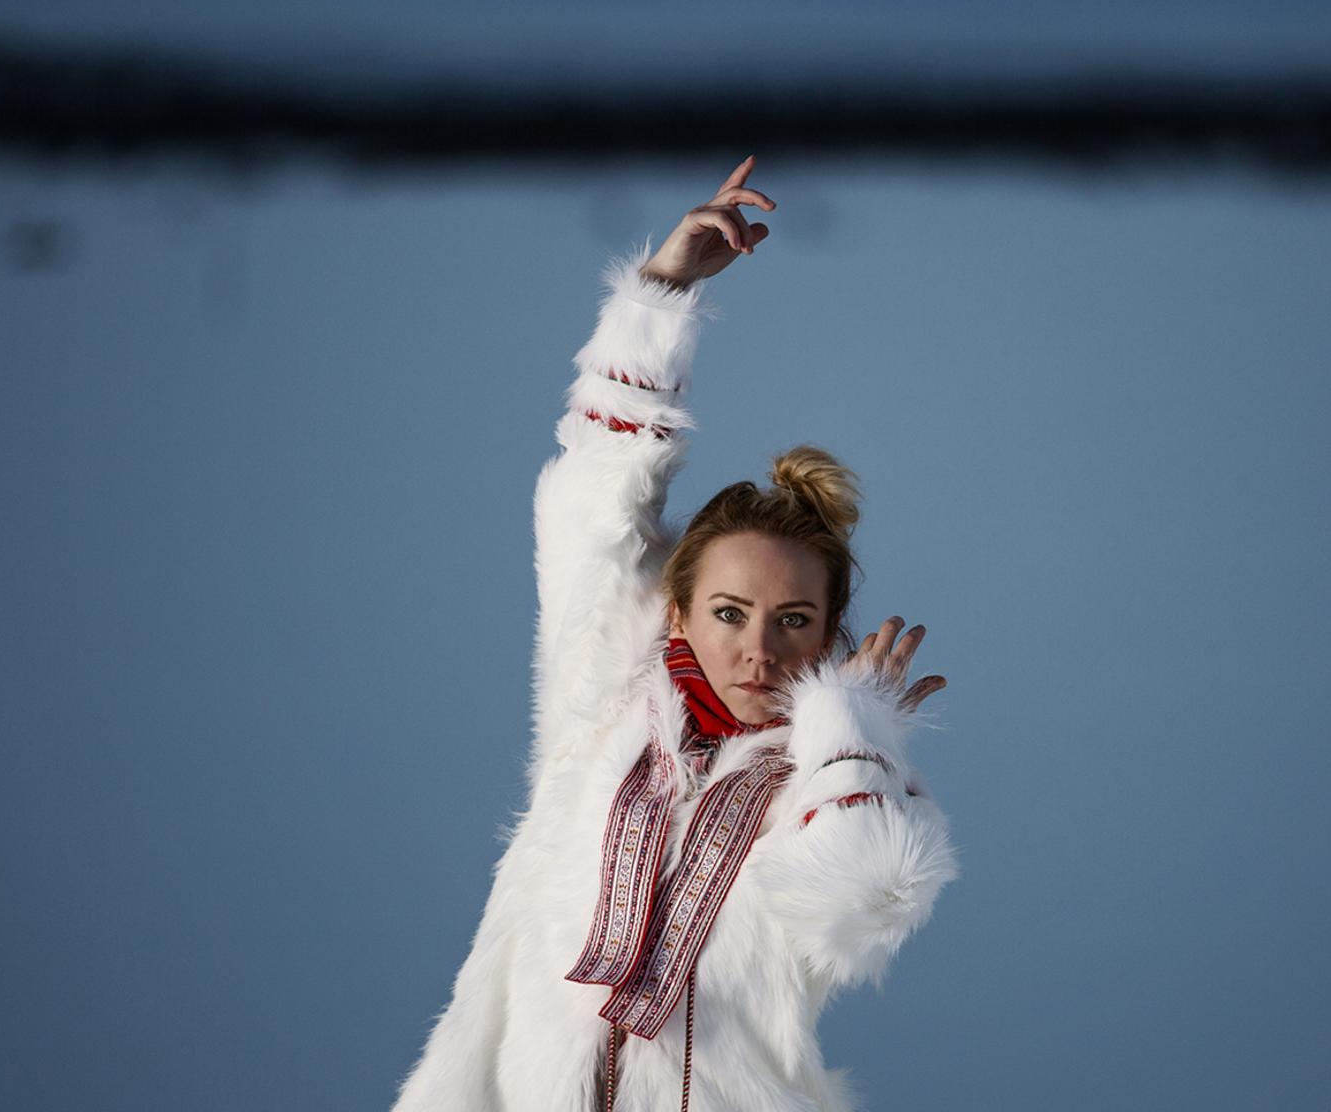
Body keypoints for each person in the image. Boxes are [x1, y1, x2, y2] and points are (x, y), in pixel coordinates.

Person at [391, 157, 957, 1111]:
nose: (759, 649)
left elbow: (873, 900)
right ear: (677, 612)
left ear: (829, 637)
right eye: (729, 613)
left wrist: (856, 728)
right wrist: (660, 296)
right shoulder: (606, 704)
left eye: (794, 622)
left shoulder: (828, 782)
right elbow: (592, 498)